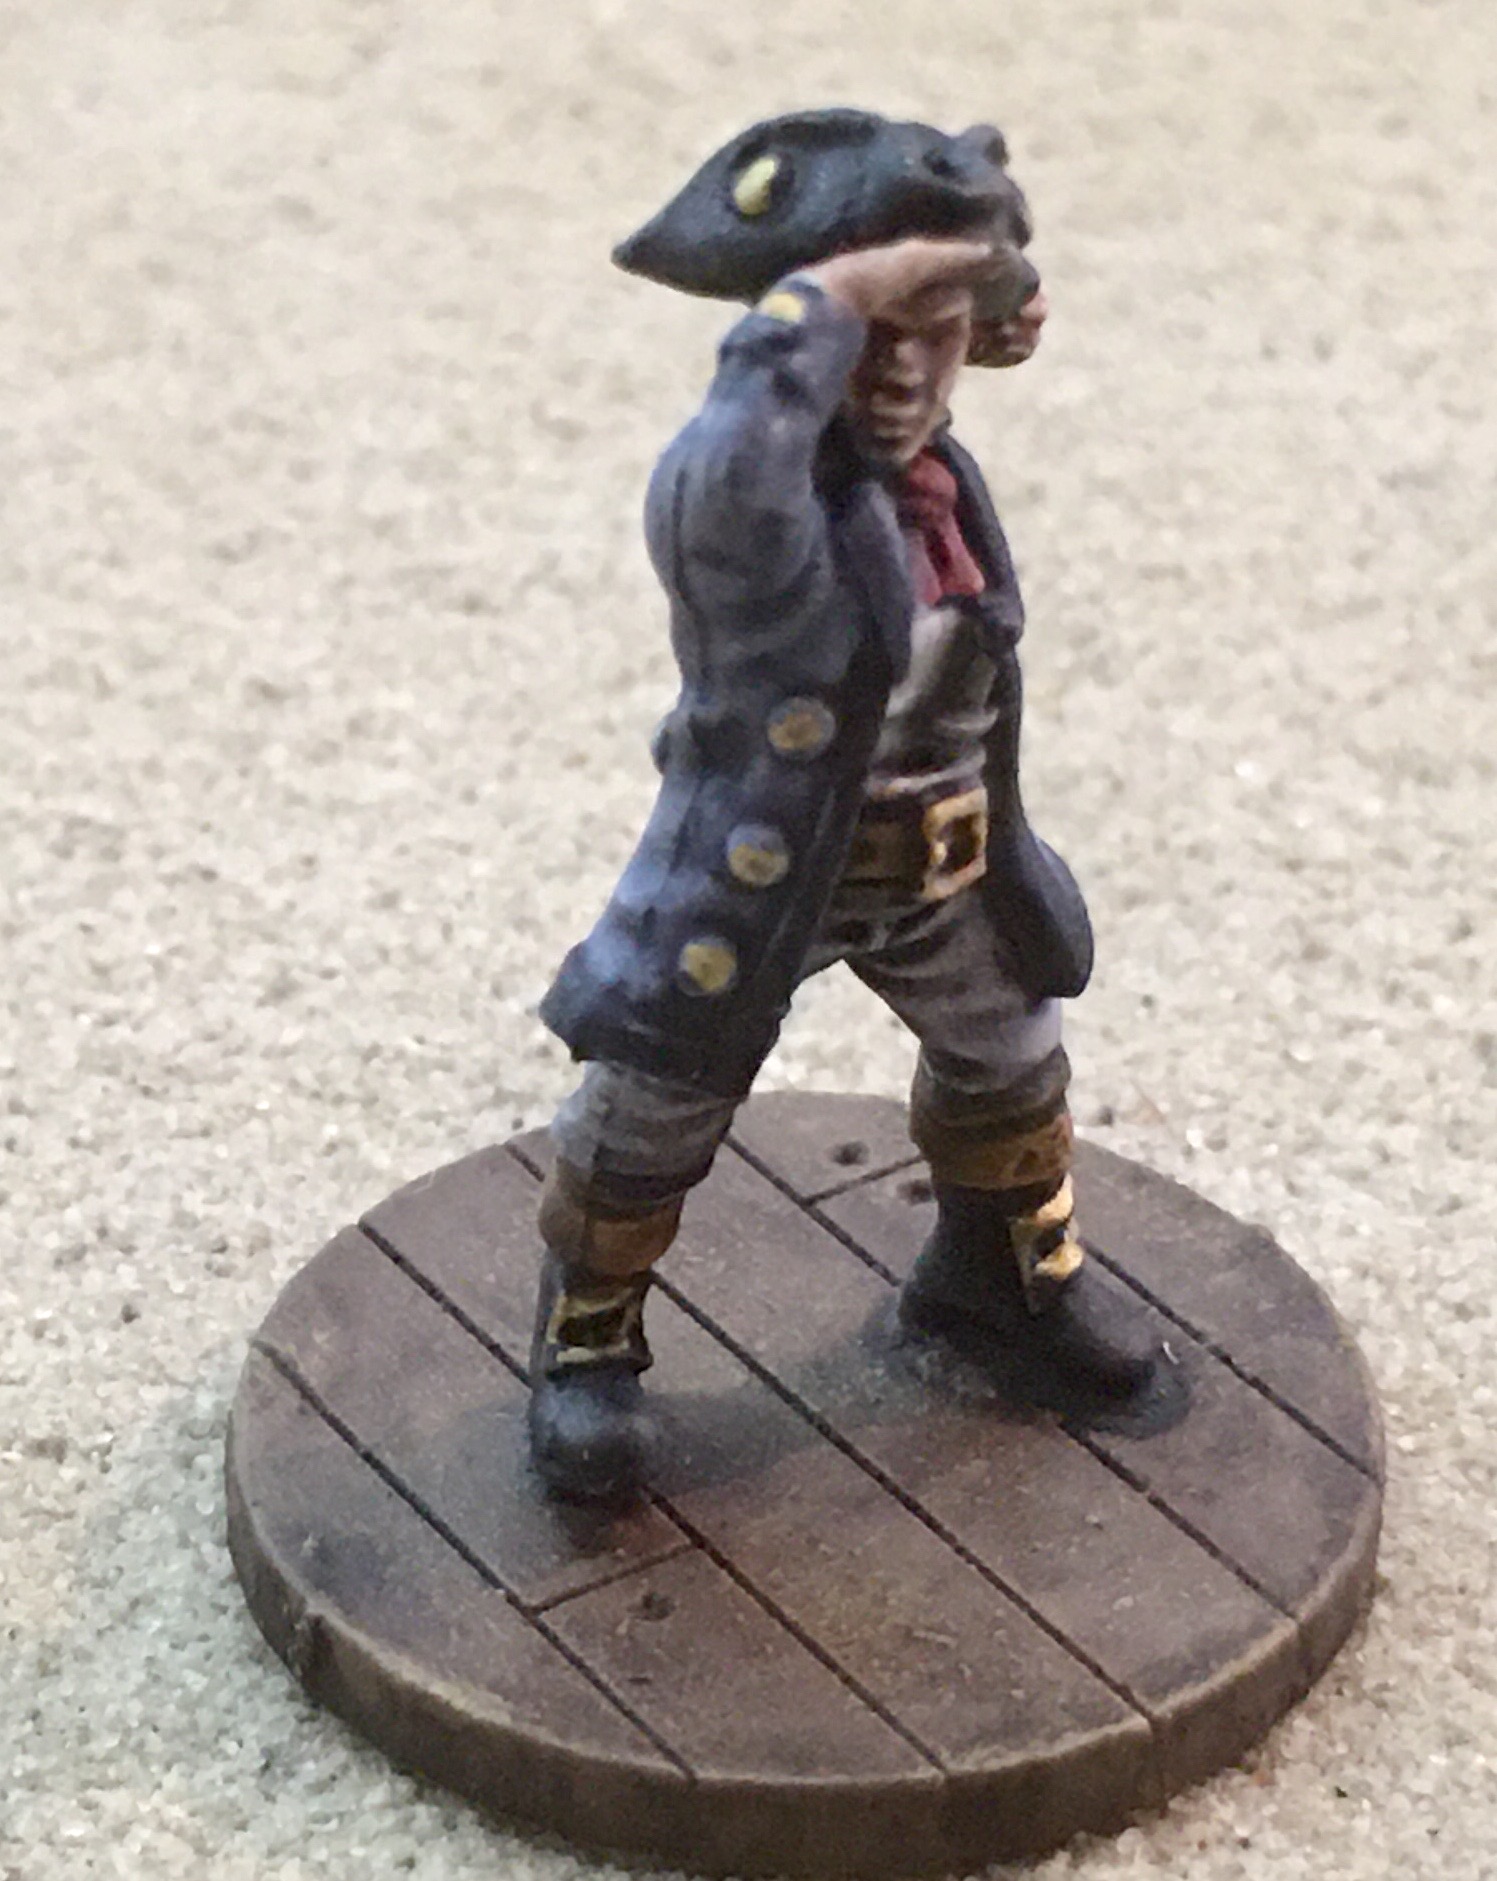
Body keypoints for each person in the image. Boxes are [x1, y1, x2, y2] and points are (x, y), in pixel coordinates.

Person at [531, 109, 1169, 1501]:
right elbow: (736, 459)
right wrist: (833, 297)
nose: (897, 372)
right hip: (759, 879)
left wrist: (968, 286)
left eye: (931, 334)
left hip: (941, 867)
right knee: (652, 1105)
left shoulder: (939, 481)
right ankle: (586, 1344)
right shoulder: (741, 491)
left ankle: (1000, 1280)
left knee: (1012, 1056)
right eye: (864, 335)